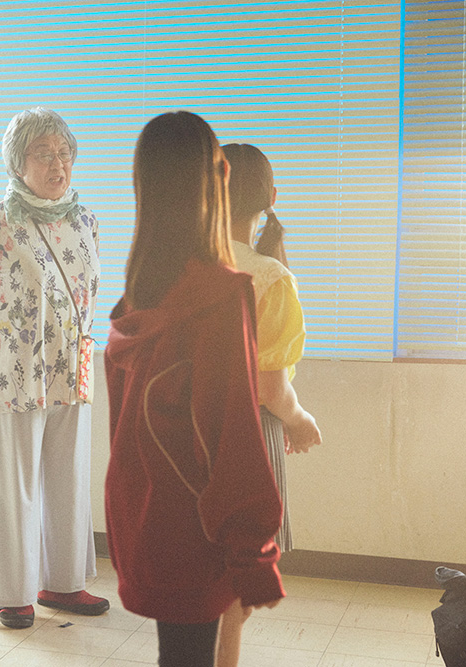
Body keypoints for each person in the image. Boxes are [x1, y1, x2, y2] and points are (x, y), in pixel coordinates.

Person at [104, 111, 285, 667]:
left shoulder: (134, 297)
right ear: (217, 179)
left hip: (140, 512)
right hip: (195, 524)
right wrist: (254, 552)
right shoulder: (222, 294)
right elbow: (229, 431)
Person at [0, 107, 108, 630]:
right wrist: (2, 354)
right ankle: (14, 593)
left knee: (69, 477)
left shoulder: (86, 221)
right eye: (44, 154)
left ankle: (63, 583)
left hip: (73, 367)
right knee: (13, 483)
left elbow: (88, 297)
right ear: (18, 164)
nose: (58, 163)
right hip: (13, 373)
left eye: (64, 153)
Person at [215, 143, 322, 667]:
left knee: (203, 574)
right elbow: (268, 389)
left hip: (183, 434)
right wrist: (300, 421)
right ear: (270, 197)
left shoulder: (178, 269)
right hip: (246, 439)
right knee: (236, 582)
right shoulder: (271, 279)